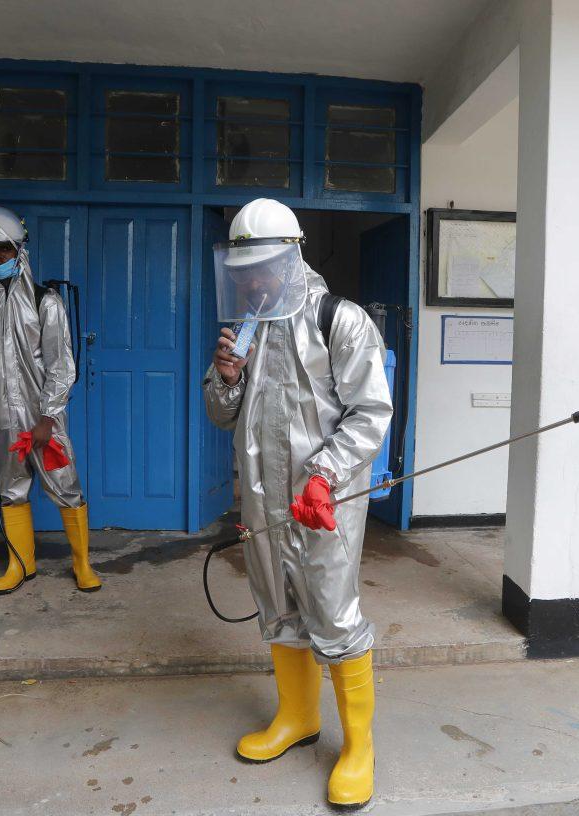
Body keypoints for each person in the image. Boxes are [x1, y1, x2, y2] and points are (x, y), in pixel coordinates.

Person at [203, 198, 393, 808]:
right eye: (244, 269)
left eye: (263, 266)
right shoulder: (248, 324)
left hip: (323, 498)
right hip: (262, 500)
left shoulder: (340, 319)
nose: (252, 280)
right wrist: (226, 377)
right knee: (277, 607)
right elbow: (221, 415)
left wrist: (328, 473)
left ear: (293, 254)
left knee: (333, 614)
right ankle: (298, 718)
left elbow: (371, 413)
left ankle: (358, 746)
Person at [0, 205, 101, 595]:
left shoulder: (44, 302)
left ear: (20, 249)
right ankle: (21, 566)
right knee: (11, 491)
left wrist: (48, 417)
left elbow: (61, 364)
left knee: (66, 487)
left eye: (3, 248)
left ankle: (82, 563)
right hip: (0, 421)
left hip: (42, 424)